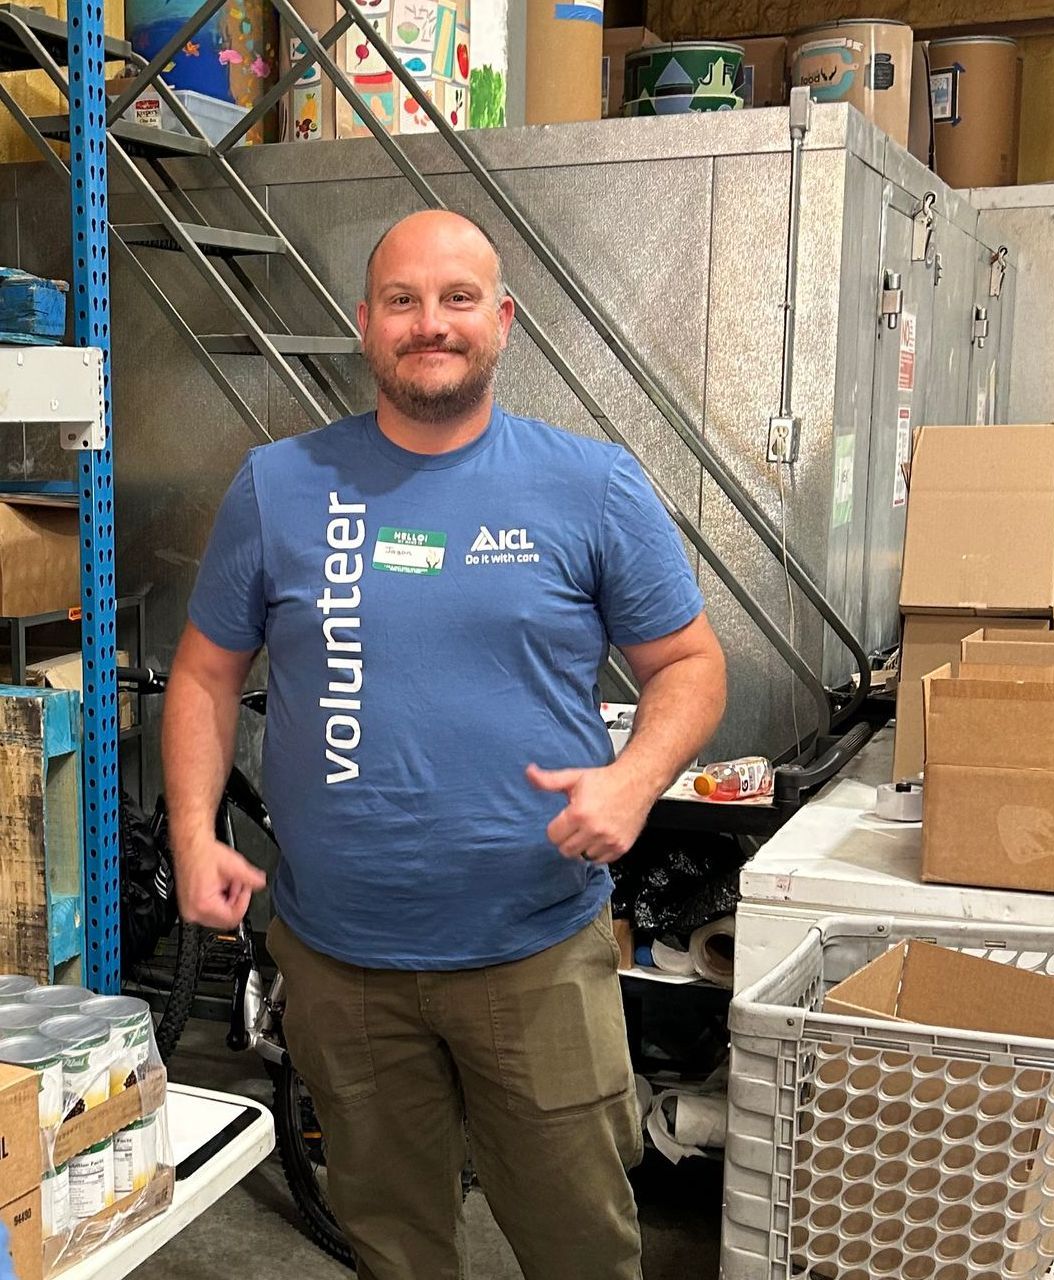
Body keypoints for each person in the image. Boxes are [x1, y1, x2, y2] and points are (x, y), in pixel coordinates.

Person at [162, 209, 727, 1280]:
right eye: (403, 300)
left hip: (534, 953)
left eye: (457, 298)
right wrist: (194, 831)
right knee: (393, 1245)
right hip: (341, 964)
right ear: (366, 322)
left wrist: (636, 778)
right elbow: (203, 673)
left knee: (581, 1247)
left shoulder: (590, 485)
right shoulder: (277, 486)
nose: (431, 322)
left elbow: (691, 664)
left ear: (502, 319)